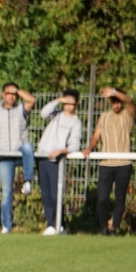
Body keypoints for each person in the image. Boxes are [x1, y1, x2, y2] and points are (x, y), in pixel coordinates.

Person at [0, 83, 36, 234]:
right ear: (3, 95)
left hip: (20, 152)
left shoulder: (21, 110)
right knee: (7, 193)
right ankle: (6, 225)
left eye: (14, 94)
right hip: (5, 154)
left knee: (28, 147)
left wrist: (19, 90)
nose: (11, 96)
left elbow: (31, 100)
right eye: (8, 93)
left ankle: (27, 180)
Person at [83, 87, 136, 235]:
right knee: (102, 198)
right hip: (106, 163)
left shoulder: (127, 115)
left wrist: (114, 91)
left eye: (118, 102)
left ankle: (114, 228)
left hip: (123, 163)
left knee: (120, 198)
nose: (116, 105)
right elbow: (96, 136)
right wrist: (89, 148)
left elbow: (130, 101)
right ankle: (103, 227)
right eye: (113, 102)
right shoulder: (104, 117)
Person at [35, 90, 82, 236]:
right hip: (43, 157)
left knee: (56, 194)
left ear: (76, 104)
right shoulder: (56, 115)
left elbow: (75, 143)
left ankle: (59, 224)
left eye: (71, 104)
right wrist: (58, 100)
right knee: (46, 193)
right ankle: (51, 224)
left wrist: (62, 151)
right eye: (66, 103)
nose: (68, 106)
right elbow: (44, 112)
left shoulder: (75, 122)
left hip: (56, 161)